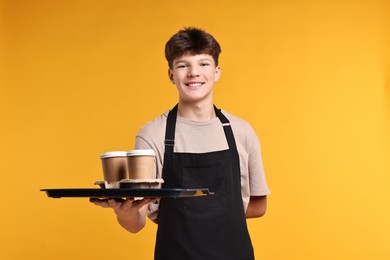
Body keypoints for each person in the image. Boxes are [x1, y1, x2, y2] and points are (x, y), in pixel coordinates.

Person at [91, 27, 270, 260]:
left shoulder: (242, 132)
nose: (194, 73)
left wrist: (207, 216)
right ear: (171, 74)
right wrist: (123, 213)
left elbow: (259, 205)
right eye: (183, 65)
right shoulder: (152, 134)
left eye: (203, 64)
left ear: (217, 72)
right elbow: (136, 223)